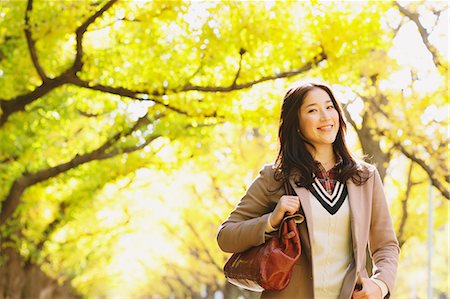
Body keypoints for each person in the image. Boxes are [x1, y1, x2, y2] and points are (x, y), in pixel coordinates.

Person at [216, 80, 399, 299]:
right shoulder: (275, 177)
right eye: (313, 110)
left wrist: (380, 284)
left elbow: (386, 245)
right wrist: (271, 221)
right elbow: (225, 236)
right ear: (296, 124)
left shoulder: (365, 177)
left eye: (330, 107)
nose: (325, 116)